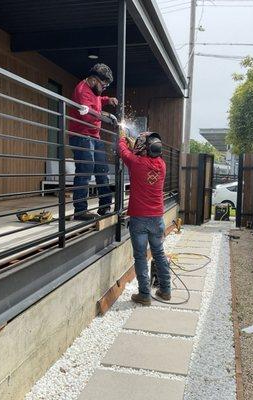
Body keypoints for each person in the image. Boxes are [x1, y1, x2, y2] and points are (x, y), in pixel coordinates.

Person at [118, 130, 171, 306]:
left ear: (144, 148)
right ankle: (165, 290)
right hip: (157, 218)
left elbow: (123, 151)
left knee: (140, 257)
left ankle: (144, 295)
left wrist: (122, 138)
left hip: (139, 218)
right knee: (159, 253)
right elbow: (141, 156)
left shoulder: (136, 162)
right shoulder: (162, 165)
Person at [68, 63, 119, 221]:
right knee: (85, 170)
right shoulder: (82, 91)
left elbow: (97, 99)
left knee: (102, 171)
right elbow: (87, 115)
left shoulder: (94, 90)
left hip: (94, 137)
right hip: (82, 136)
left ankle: (105, 207)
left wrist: (107, 99)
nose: (104, 88)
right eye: (103, 85)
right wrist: (105, 115)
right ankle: (80, 211)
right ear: (94, 79)